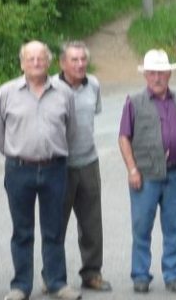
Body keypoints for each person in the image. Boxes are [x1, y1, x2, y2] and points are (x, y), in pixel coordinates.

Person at [0, 41, 81, 300]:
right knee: (22, 231)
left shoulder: (64, 93)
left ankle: (56, 283)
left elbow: (71, 131)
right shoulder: (6, 92)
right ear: (22, 63)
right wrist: (15, 151)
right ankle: (20, 286)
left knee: (54, 230)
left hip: (55, 168)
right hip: (19, 169)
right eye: (30, 58)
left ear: (49, 62)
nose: (36, 62)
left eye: (41, 58)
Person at [118, 49, 176, 294]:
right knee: (141, 227)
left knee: (175, 228)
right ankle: (140, 275)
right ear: (145, 75)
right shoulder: (134, 102)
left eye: (161, 72)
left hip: (175, 174)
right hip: (145, 176)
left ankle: (174, 274)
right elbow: (124, 138)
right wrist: (132, 169)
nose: (157, 77)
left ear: (169, 74)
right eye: (152, 73)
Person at [52, 41, 112, 291]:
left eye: (82, 60)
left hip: (88, 160)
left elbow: (93, 114)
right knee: (55, 224)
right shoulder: (50, 87)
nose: (79, 64)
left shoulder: (94, 85)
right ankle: (52, 275)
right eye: (74, 60)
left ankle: (91, 273)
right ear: (62, 63)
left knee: (91, 223)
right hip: (59, 164)